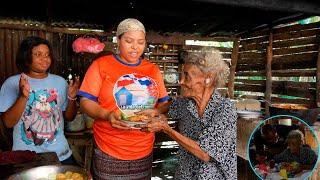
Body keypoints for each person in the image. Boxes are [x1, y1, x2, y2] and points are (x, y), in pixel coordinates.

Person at [78, 18, 170, 179]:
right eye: (129, 41)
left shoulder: (152, 69)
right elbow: (86, 102)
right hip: (109, 149)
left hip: (143, 149)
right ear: (118, 40)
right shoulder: (101, 65)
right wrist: (107, 115)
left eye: (140, 42)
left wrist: (155, 111)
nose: (135, 47)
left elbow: (164, 103)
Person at [140, 47, 237, 179]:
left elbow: (206, 154)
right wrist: (156, 111)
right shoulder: (187, 103)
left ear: (208, 78)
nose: (181, 81)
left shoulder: (225, 109)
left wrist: (167, 129)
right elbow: (172, 104)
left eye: (187, 76)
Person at [0, 36, 80, 164]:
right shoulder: (12, 83)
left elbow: (69, 117)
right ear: (26, 57)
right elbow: (8, 123)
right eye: (38, 54)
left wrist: (72, 97)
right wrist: (23, 97)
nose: (45, 59)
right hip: (25, 158)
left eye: (47, 55)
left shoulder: (59, 82)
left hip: (60, 155)